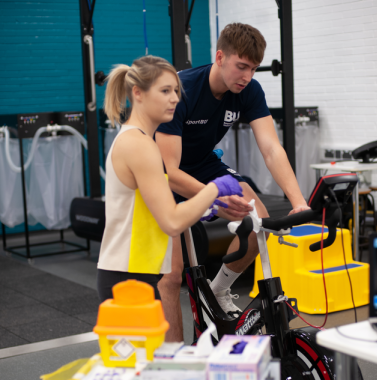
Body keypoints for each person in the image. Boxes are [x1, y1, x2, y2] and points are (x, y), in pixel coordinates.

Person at [156, 23, 309, 341]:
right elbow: (169, 171)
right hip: (160, 176)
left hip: (203, 165)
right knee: (171, 277)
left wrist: (298, 202)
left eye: (253, 69)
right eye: (241, 66)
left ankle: (218, 291)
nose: (247, 76)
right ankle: (175, 363)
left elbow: (270, 147)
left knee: (259, 223)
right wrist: (216, 197)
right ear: (220, 56)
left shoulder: (249, 91)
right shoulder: (181, 90)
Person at [97, 54, 242, 305]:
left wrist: (206, 208)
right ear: (138, 93)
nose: (175, 98)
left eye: (176, 90)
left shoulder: (141, 141)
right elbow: (172, 222)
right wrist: (214, 189)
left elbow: (161, 209)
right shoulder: (138, 145)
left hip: (137, 274)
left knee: (154, 345)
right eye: (165, 90)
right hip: (126, 279)